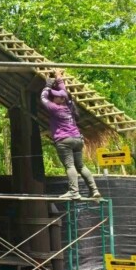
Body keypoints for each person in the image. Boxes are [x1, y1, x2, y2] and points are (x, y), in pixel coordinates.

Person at [41, 70, 101, 200]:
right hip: (77, 139)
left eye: (55, 97)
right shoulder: (69, 105)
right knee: (81, 166)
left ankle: (74, 192)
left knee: (70, 165)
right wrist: (58, 77)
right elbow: (63, 90)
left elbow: (43, 98)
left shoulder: (55, 108)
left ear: (61, 99)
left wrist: (47, 86)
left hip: (64, 140)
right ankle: (94, 190)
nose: (53, 98)